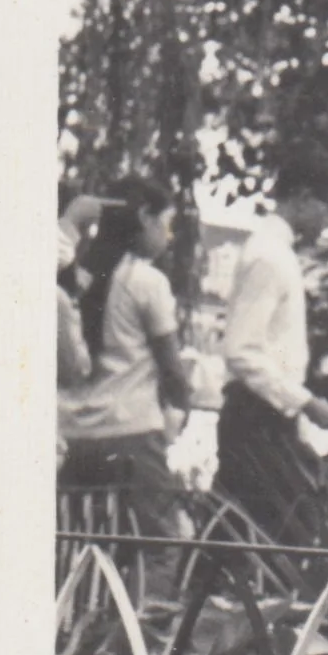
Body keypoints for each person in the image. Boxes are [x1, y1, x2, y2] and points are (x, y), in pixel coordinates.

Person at [216, 144, 328, 545]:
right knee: (269, 535)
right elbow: (240, 350)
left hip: (268, 416)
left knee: (256, 535)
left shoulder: (275, 254)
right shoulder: (268, 257)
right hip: (257, 415)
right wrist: (305, 401)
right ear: (303, 197)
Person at [56, 180, 195, 547]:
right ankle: (151, 606)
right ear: (145, 218)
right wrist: (179, 412)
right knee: (160, 545)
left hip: (72, 433)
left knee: (79, 544)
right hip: (130, 431)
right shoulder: (147, 280)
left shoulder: (74, 273)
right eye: (165, 223)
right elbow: (171, 368)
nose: (167, 235)